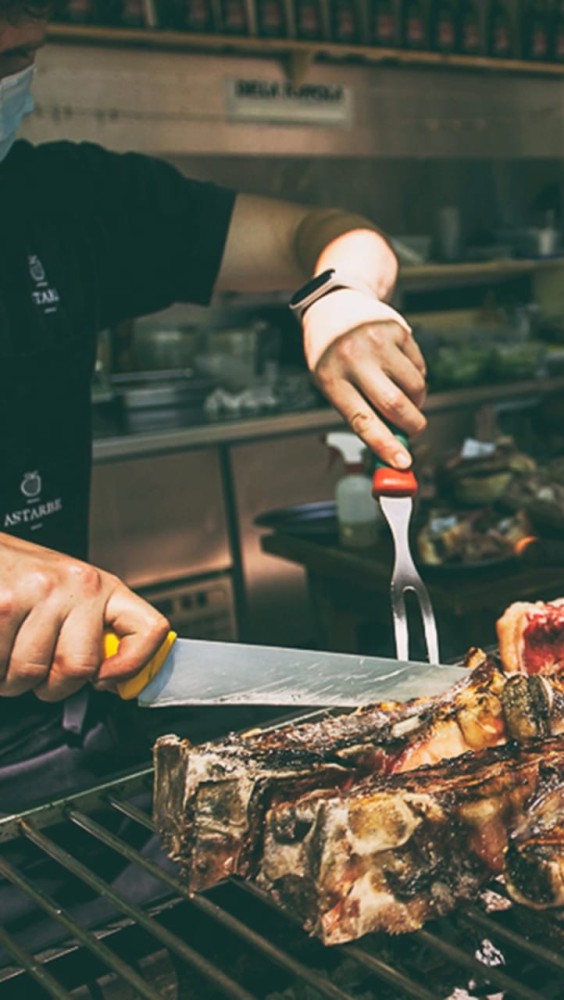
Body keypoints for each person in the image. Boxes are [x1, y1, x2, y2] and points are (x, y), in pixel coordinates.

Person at [0, 2, 428, 812]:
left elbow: (325, 229)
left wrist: (339, 295)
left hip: (56, 734)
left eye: (15, 57)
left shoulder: (68, 200)